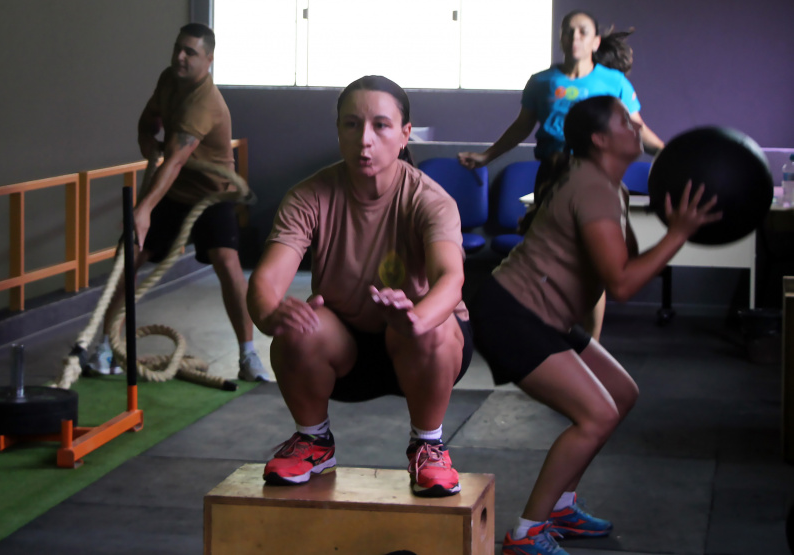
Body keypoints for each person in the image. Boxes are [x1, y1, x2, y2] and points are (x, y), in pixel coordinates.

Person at [470, 95, 720, 554]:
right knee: (597, 415)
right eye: (626, 122)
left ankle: (561, 507)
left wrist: (670, 220)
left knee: (621, 394)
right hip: (512, 312)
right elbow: (622, 285)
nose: (636, 127)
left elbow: (626, 263)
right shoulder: (593, 188)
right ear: (602, 139)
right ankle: (525, 534)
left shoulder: (610, 187)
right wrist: (679, 234)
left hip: (542, 312)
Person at [246, 75, 473, 497]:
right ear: (338, 131)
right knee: (300, 324)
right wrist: (269, 312)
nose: (364, 139)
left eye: (380, 125)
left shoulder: (430, 200)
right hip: (344, 348)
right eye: (351, 125)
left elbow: (451, 279)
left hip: (418, 348)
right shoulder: (308, 196)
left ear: (405, 135)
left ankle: (429, 445)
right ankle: (313, 440)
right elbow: (266, 280)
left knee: (436, 327)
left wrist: (415, 318)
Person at [459, 10, 665, 342]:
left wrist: (669, 153)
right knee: (555, 259)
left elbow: (639, 131)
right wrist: (486, 156)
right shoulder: (542, 82)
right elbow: (521, 128)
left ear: (596, 41)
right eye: (568, 31)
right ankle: (558, 336)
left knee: (594, 261)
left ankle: (591, 345)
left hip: (599, 180)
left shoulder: (613, 83)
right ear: (560, 39)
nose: (574, 37)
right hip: (553, 176)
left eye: (583, 31)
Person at [91, 23, 270, 382]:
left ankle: (248, 357)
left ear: (209, 59)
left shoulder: (205, 101)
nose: (180, 57)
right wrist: (146, 137)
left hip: (211, 194)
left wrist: (143, 210)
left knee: (227, 262)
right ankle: (105, 349)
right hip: (173, 191)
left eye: (190, 52)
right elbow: (150, 119)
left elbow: (173, 160)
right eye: (177, 49)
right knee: (132, 256)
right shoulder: (169, 80)